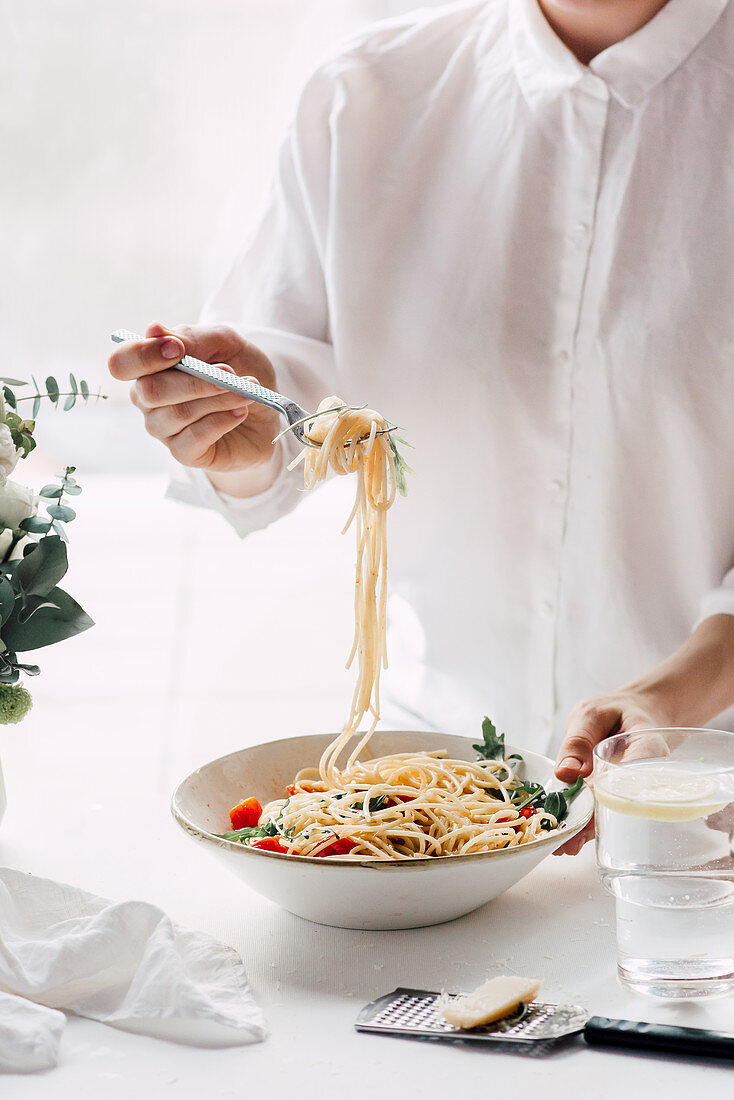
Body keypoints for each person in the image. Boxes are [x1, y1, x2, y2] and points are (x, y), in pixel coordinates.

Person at [109, 0, 734, 854]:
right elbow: (284, 410)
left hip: (709, 808)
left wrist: (676, 695)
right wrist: (234, 431)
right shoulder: (363, 95)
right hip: (434, 804)